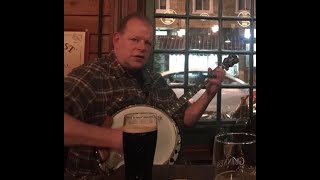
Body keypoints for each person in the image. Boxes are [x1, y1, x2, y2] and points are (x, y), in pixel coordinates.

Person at [64, 12, 225, 179]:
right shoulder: (92, 76)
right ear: (117, 40)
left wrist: (208, 93)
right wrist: (113, 138)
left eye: (148, 43)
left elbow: (186, 119)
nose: (142, 47)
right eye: (135, 40)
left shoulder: (154, 79)